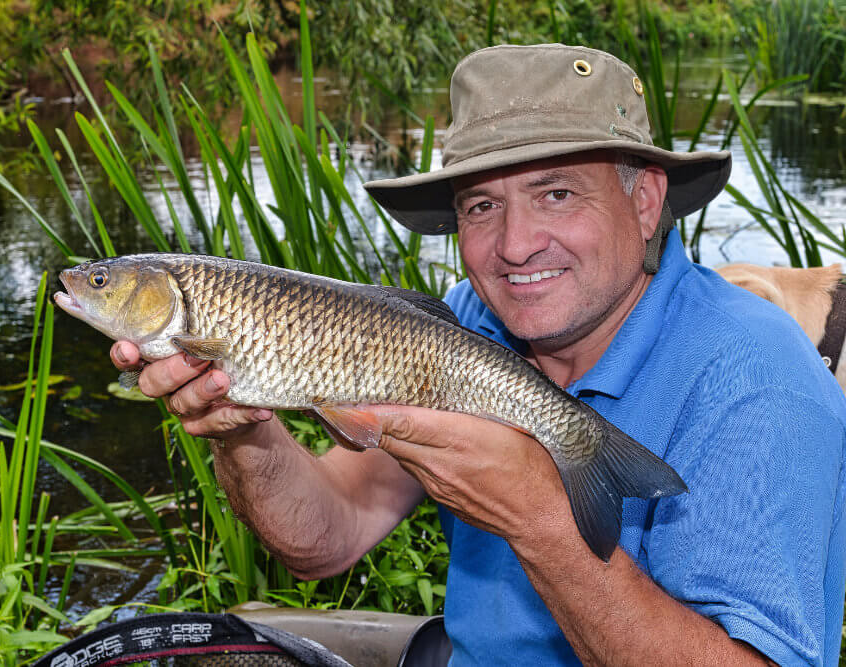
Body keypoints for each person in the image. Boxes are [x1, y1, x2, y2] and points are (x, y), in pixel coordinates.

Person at [111, 44, 846, 665]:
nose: (515, 245)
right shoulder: (472, 321)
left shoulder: (755, 377)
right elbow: (327, 534)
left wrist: (541, 521)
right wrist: (245, 431)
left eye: (556, 193)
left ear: (647, 201)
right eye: (481, 206)